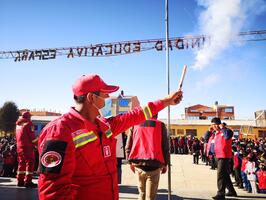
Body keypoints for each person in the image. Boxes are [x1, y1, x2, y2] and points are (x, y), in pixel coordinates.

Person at [37, 74, 183, 200]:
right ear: (91, 98)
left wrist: (166, 101)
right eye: (104, 93)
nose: (108, 97)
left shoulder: (103, 125)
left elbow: (134, 116)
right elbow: (53, 190)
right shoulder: (59, 131)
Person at [125, 114, 169, 200]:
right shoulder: (160, 125)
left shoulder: (135, 124)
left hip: (138, 164)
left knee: (141, 194)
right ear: (156, 115)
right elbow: (165, 147)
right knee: (150, 197)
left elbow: (128, 145)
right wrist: (165, 164)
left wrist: (130, 162)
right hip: (154, 165)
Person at [211, 117, 237, 200]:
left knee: (220, 174)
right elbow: (206, 138)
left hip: (224, 156)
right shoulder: (216, 133)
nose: (213, 126)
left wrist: (223, 128)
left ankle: (221, 193)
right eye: (212, 125)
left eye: (215, 124)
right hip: (217, 155)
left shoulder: (227, 131)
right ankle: (232, 191)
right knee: (225, 175)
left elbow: (227, 137)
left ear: (219, 124)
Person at [16, 111, 38, 187]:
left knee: (21, 163)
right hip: (27, 146)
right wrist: (37, 145)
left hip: (19, 146)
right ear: (28, 117)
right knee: (30, 162)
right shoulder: (29, 124)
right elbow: (32, 138)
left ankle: (20, 181)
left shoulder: (18, 125)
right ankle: (28, 181)